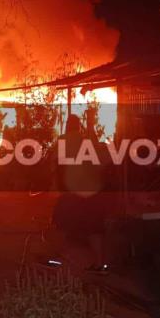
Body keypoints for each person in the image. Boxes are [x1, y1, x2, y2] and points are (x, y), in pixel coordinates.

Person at [50, 114, 109, 274]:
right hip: (92, 191)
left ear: (68, 126)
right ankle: (100, 265)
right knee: (94, 227)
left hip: (72, 191)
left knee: (61, 223)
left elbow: (55, 162)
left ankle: (56, 259)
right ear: (79, 126)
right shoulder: (88, 141)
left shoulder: (64, 140)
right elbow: (104, 163)